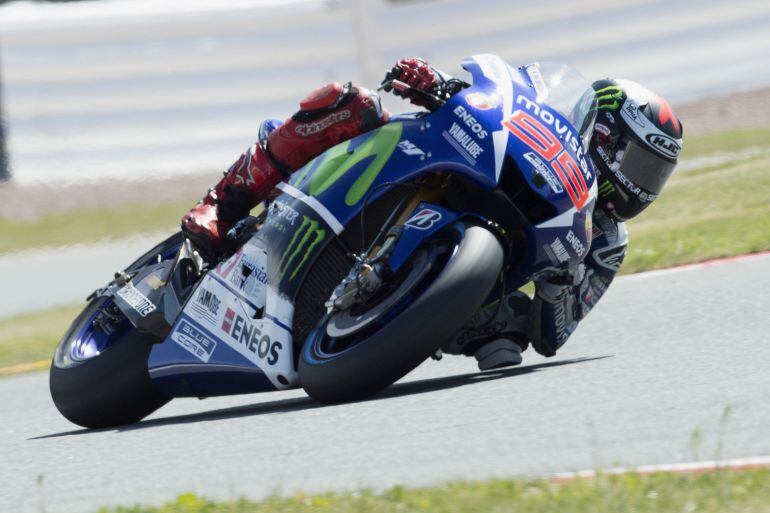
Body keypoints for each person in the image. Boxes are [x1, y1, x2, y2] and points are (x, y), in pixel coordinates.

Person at [181, 58, 684, 371]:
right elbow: (499, 101)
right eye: (642, 163)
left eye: (656, 173)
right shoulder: (548, 115)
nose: (644, 184)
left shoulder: (608, 242)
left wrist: (559, 284)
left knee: (505, 348)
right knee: (351, 104)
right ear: (604, 136)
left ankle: (384, 314)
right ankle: (220, 207)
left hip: (469, 303)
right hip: (428, 166)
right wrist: (437, 84)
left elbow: (553, 336)